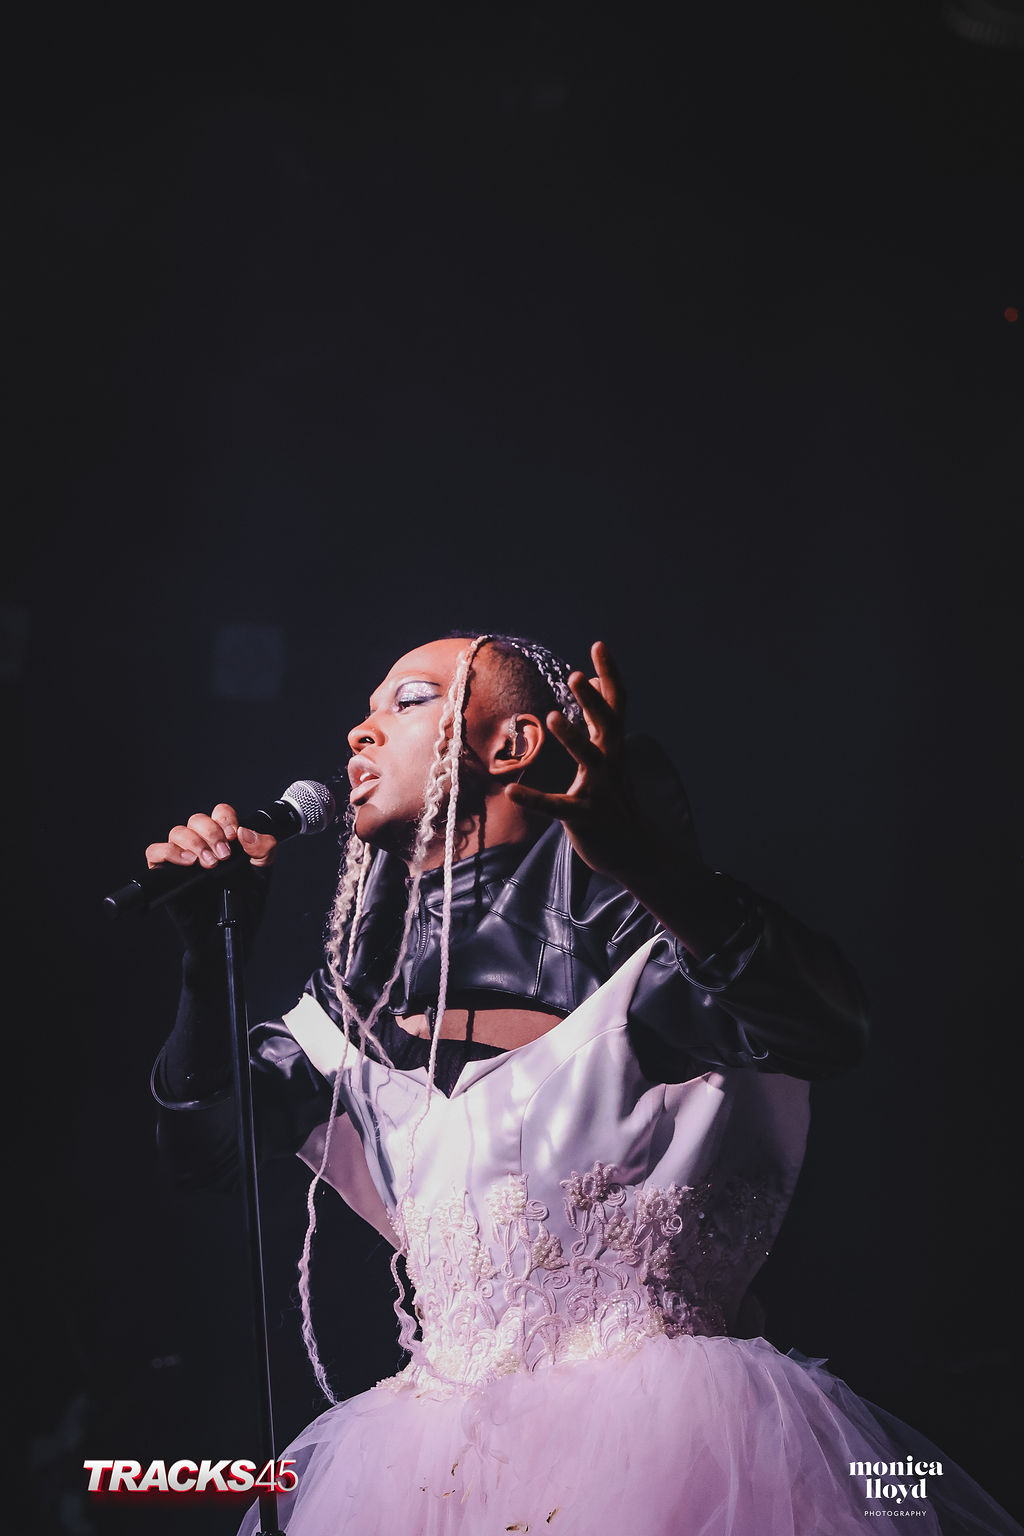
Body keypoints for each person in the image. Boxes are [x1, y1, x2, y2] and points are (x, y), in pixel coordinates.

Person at [148, 633, 1021, 1535]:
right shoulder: (348, 1019)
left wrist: (647, 861)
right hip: (432, 1468)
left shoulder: (655, 960)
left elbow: (827, 1026)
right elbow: (203, 1154)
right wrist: (206, 968)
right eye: (367, 711)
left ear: (513, 745)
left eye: (407, 700)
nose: (358, 733)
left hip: (676, 1448)